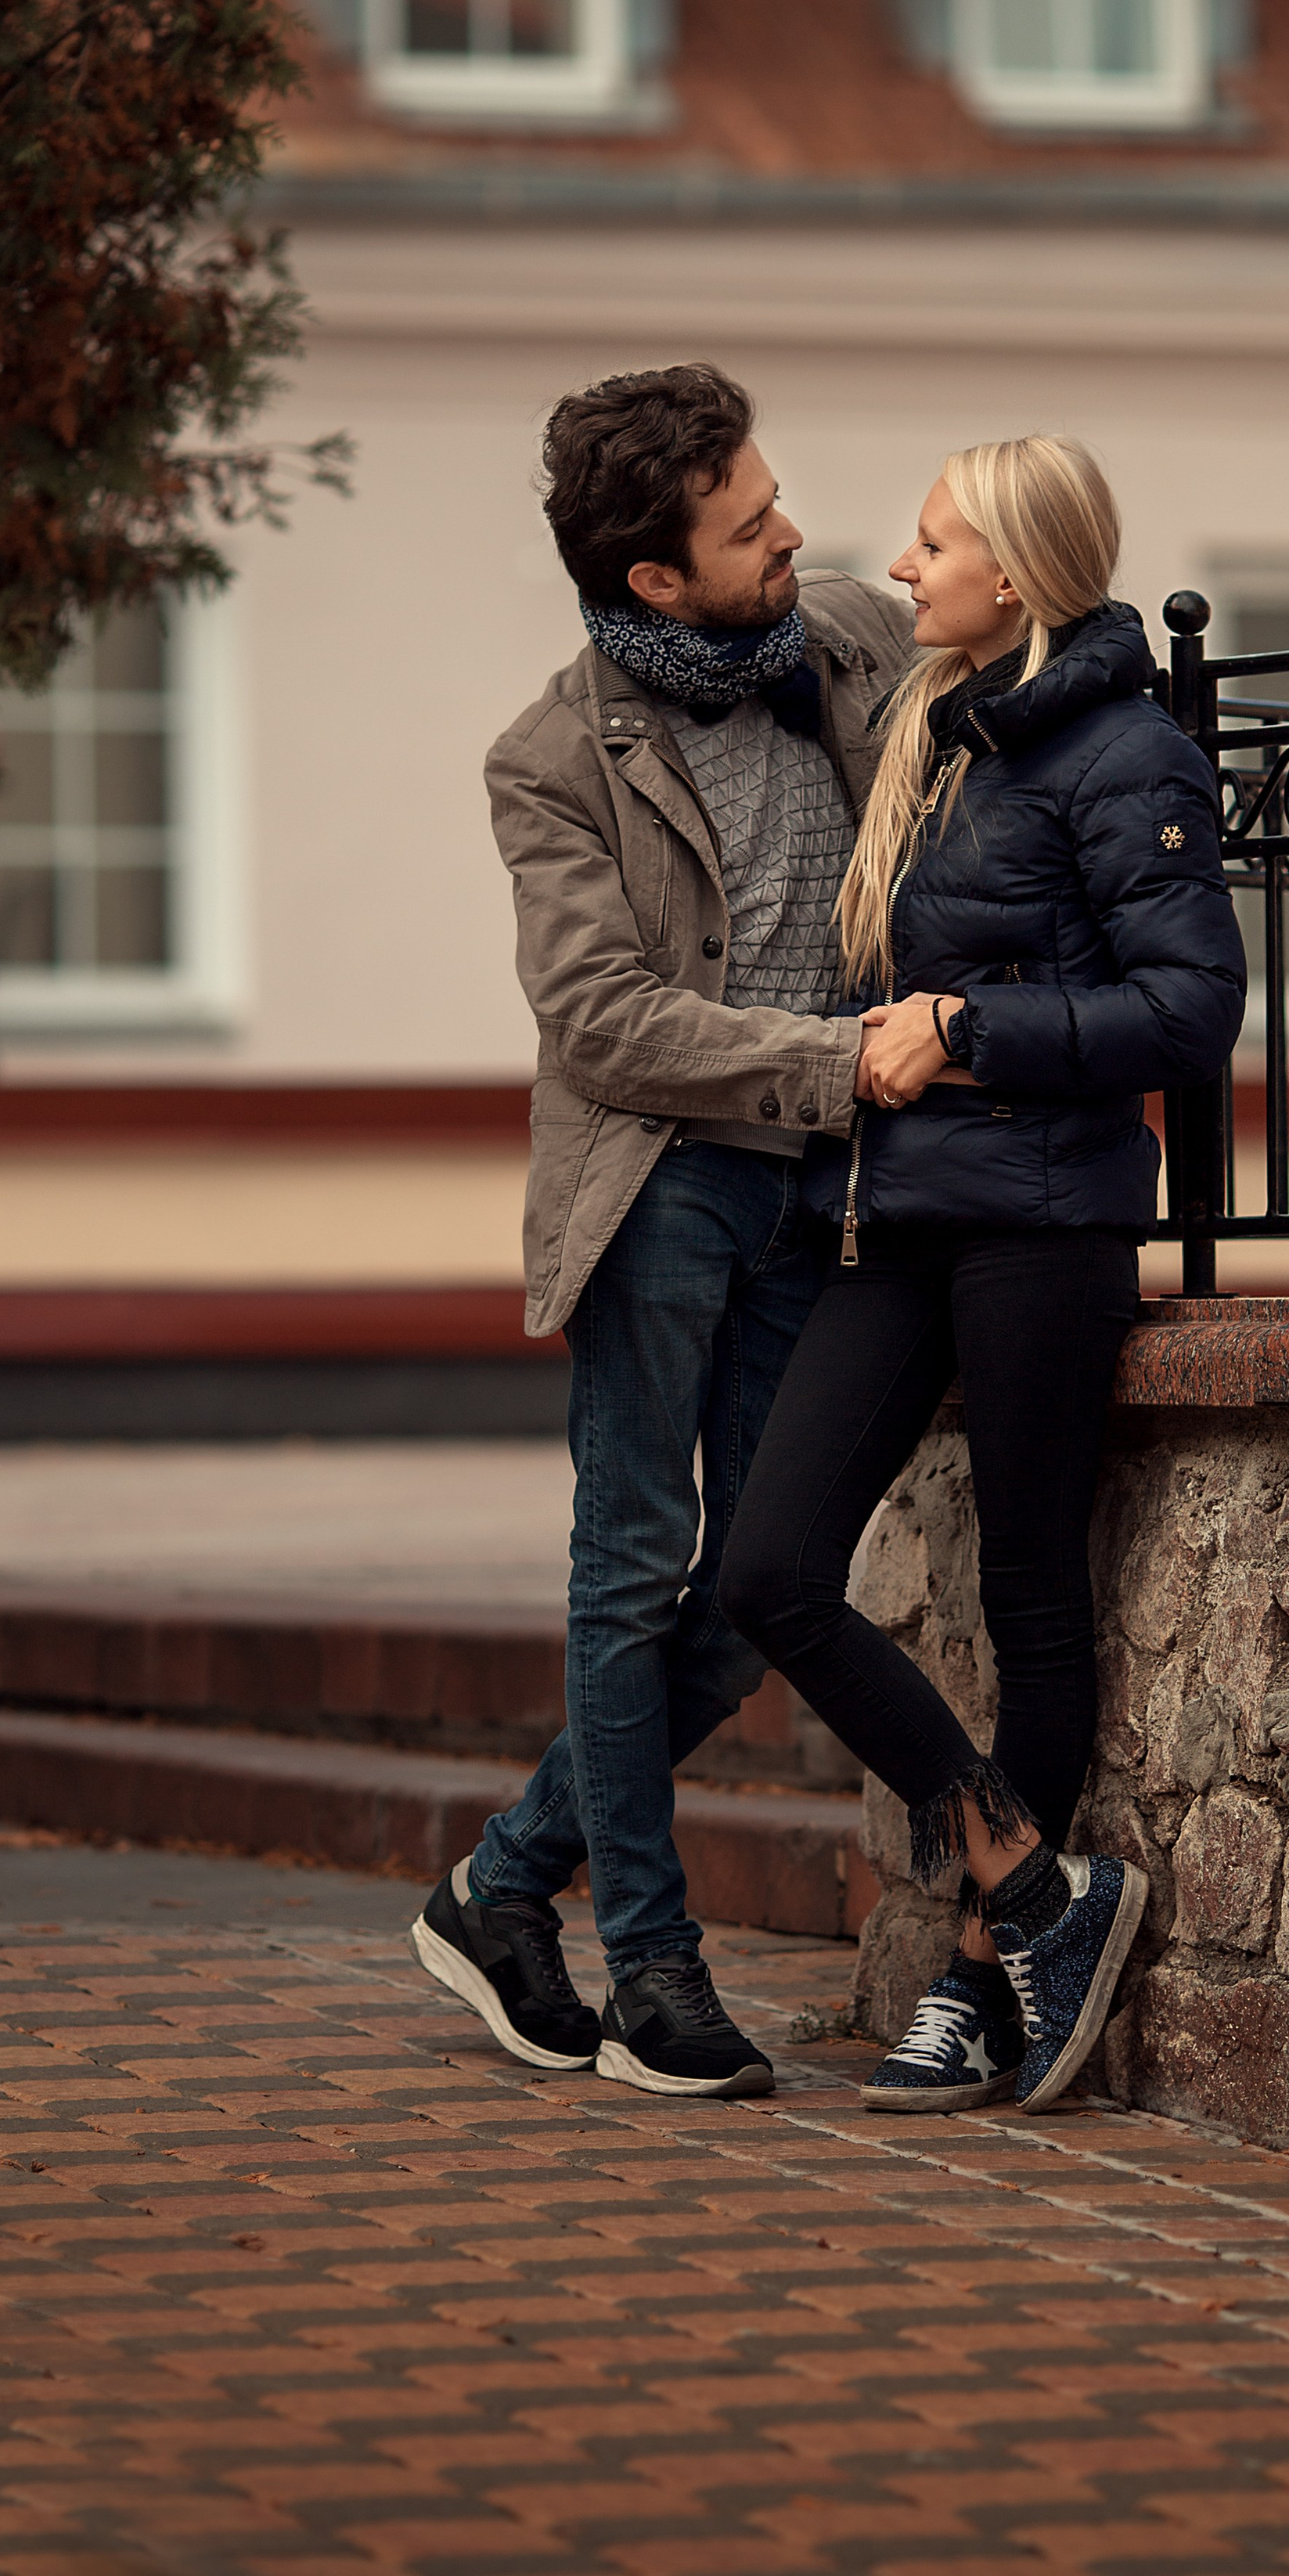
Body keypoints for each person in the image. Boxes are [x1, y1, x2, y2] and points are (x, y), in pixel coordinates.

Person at [717, 434, 1246, 2116]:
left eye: (934, 542)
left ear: (1012, 578)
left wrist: (963, 1025)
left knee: (1031, 1602)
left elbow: (1186, 1014)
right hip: (890, 1223)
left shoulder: (1124, 752)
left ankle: (968, 1985)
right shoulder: (930, 744)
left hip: (1038, 1225)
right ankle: (1033, 1887)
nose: (904, 561)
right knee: (771, 1566)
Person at [411, 364, 913, 2098]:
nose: (791, 533)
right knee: (628, 1577)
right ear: (652, 579)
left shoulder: (840, 639)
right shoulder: (550, 760)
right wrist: (832, 1061)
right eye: (748, 523)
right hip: (660, 1188)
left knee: (764, 1582)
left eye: (773, 499)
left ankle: (499, 1885)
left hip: (814, 1190)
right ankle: (650, 1971)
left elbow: (1016, 646)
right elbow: (603, 1020)